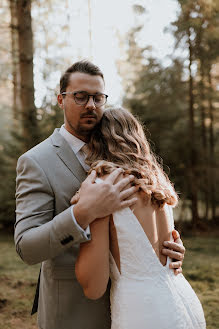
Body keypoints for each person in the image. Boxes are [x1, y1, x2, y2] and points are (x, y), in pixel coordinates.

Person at [15, 60, 185, 329]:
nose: (91, 105)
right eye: (80, 97)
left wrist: (167, 252)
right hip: (73, 312)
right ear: (61, 100)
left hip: (134, 308)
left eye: (98, 97)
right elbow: (26, 247)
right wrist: (83, 213)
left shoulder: (123, 159)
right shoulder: (36, 161)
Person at [75, 107, 206, 329]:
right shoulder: (157, 184)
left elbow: (93, 287)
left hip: (141, 311)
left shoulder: (104, 187)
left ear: (95, 140)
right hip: (182, 300)